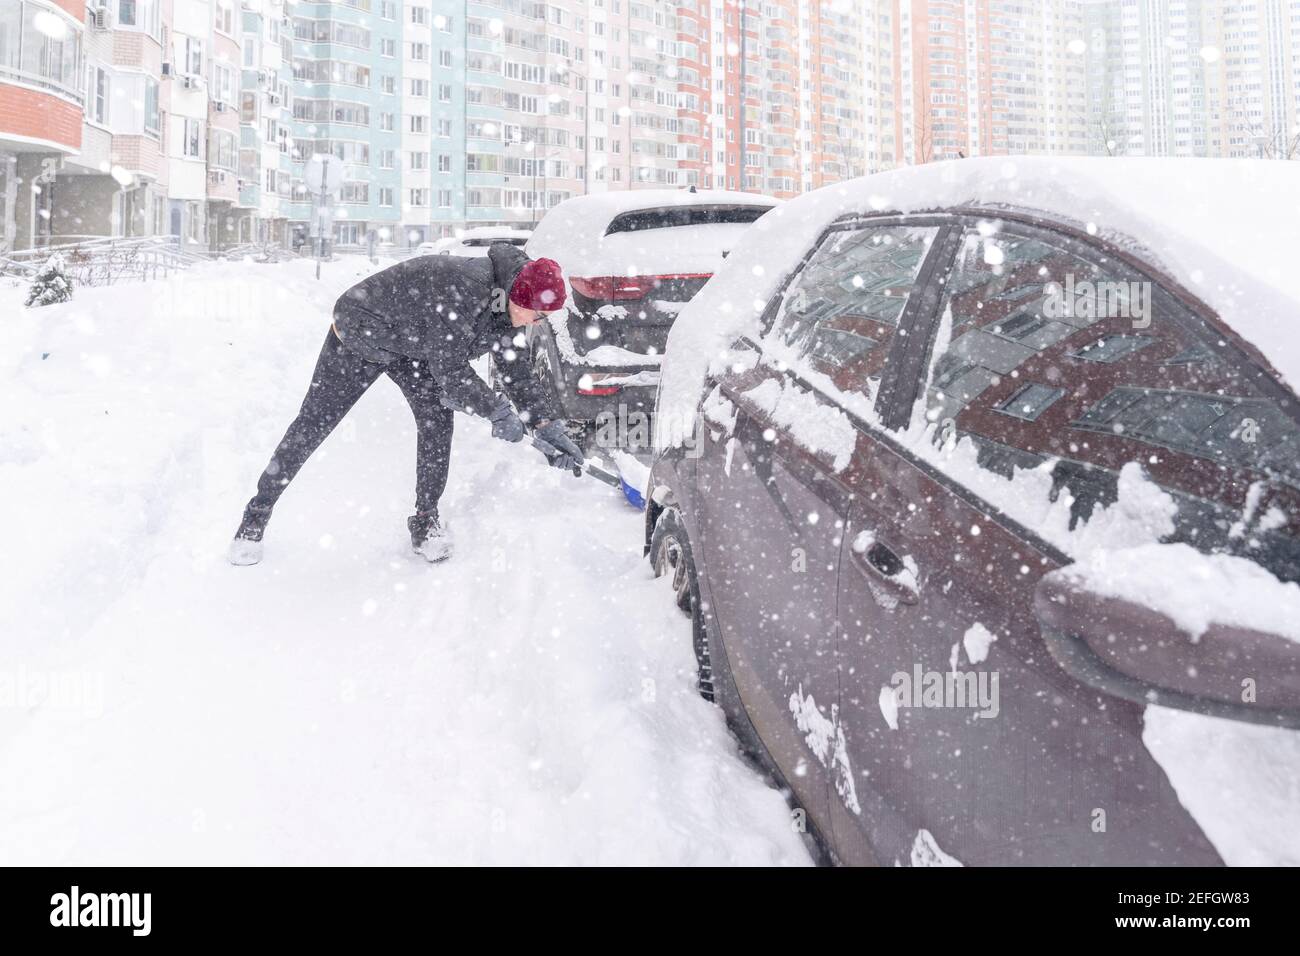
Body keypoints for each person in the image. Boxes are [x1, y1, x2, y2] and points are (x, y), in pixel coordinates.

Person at [228, 242, 583, 566]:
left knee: (437, 423)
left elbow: (516, 373)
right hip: (361, 333)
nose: (538, 323)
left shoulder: (508, 308)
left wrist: (545, 424)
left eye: (544, 317)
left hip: (414, 348)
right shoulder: (466, 287)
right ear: (518, 296)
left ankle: (425, 522)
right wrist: (495, 410)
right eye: (537, 314)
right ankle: (255, 516)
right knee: (314, 423)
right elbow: (450, 369)